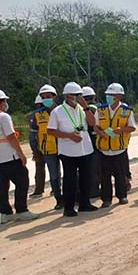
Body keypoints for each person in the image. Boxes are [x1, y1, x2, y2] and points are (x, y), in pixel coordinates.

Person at [47, 82, 98, 217]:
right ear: (67, 96)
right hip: (68, 151)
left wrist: (86, 107)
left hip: (85, 149)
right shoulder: (57, 111)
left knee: (86, 178)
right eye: (75, 95)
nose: (78, 98)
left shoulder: (83, 109)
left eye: (79, 95)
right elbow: (51, 131)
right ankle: (68, 207)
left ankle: (84, 204)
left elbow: (92, 123)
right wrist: (69, 136)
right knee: (70, 180)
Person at [94, 83, 136, 208]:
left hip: (119, 148)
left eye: (111, 95)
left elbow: (132, 127)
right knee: (105, 176)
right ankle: (106, 199)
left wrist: (120, 130)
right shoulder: (100, 110)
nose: (109, 97)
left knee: (120, 174)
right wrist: (101, 133)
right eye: (108, 95)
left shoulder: (126, 111)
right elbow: (95, 126)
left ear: (118, 96)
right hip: (104, 149)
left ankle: (122, 196)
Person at [0, 90, 35, 224]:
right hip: (10, 157)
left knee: (2, 187)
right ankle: (21, 210)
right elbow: (11, 136)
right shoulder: (4, 117)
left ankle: (5, 212)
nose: (6, 104)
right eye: (4, 101)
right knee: (22, 181)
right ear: (2, 102)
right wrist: (21, 154)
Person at [32, 84, 63, 208]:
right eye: (43, 97)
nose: (46, 99)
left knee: (70, 173)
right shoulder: (37, 115)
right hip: (48, 149)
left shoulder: (62, 110)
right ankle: (59, 200)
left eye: (48, 96)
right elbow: (33, 136)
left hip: (65, 147)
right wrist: (36, 151)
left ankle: (72, 196)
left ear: (54, 97)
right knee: (54, 176)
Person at [28, 95, 46, 198]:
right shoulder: (53, 112)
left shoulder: (35, 115)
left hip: (39, 146)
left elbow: (32, 135)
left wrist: (34, 149)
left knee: (39, 168)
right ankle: (55, 189)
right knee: (54, 169)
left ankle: (39, 190)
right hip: (52, 145)